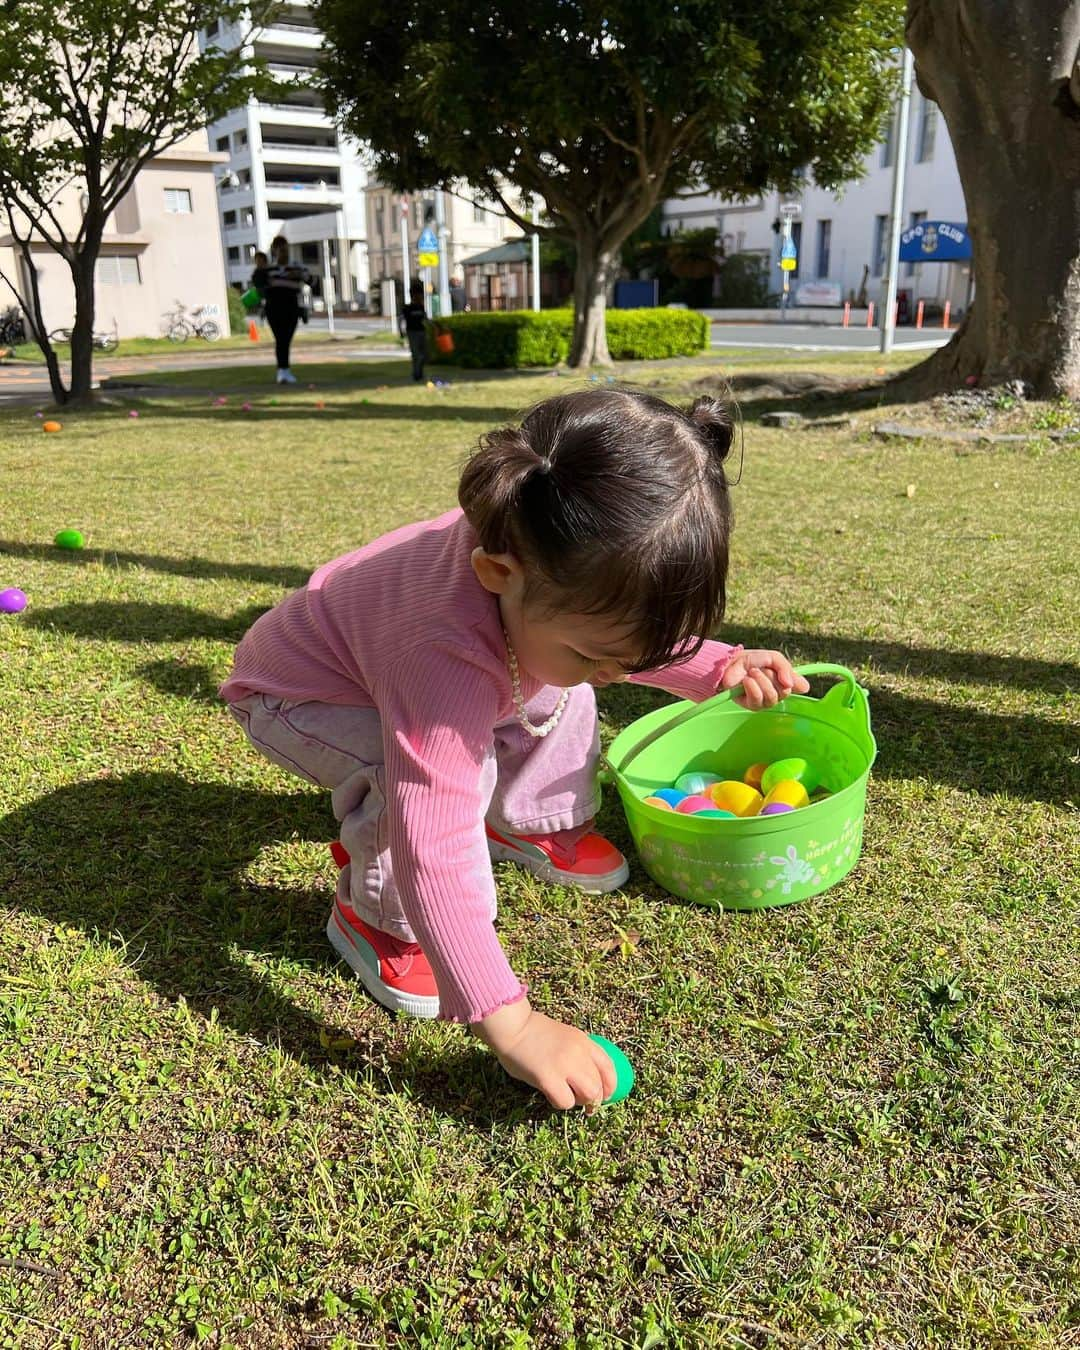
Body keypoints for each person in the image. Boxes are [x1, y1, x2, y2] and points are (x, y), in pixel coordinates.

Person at [219, 388, 810, 1110]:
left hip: (430, 658)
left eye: (632, 655)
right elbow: (431, 834)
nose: (620, 671)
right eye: (601, 651)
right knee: (408, 771)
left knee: (562, 682)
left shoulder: (547, 562)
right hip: (300, 696)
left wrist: (715, 665)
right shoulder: (441, 651)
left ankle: (531, 819)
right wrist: (514, 1023)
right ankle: (376, 916)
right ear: (500, 575)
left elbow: (614, 639)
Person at [263, 235, 310, 385]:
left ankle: (284, 370)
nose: (283, 253)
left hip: (291, 308)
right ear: (274, 251)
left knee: (286, 339)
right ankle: (282, 371)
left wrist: (300, 275)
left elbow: (312, 280)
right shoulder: (269, 269)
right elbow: (259, 286)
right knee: (280, 339)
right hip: (274, 309)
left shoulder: (296, 267)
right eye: (280, 249)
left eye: (285, 249)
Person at [399, 283, 427, 381]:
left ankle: (419, 373)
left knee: (423, 355)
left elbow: (425, 319)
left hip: (422, 332)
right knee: (416, 355)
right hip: (412, 333)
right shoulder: (407, 308)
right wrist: (401, 332)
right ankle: (416, 374)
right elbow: (401, 320)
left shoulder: (421, 307)